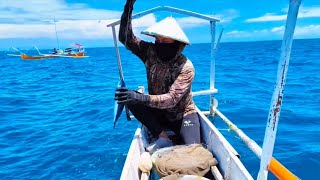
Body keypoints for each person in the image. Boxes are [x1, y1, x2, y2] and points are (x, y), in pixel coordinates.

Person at [115, 0, 200, 153]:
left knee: (194, 151)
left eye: (164, 40)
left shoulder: (186, 66)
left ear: (177, 43)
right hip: (158, 111)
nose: (158, 43)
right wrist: (129, 6)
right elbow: (125, 38)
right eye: (157, 39)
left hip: (183, 115)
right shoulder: (149, 52)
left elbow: (172, 99)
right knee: (131, 99)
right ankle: (163, 138)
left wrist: (141, 97)